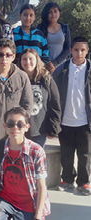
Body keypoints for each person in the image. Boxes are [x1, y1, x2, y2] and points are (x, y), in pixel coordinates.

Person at [0, 107, 50, 220]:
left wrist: (38, 215)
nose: (15, 128)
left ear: (27, 127)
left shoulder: (36, 151)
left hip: (29, 204)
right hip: (6, 199)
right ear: (4, 126)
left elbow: (41, 185)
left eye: (20, 124)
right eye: (11, 124)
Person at [53, 36, 91, 196]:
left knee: (85, 154)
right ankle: (67, 179)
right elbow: (54, 94)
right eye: (76, 50)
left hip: (85, 122)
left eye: (83, 50)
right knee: (67, 153)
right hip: (66, 121)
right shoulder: (62, 69)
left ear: (87, 51)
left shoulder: (89, 70)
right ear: (70, 51)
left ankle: (84, 182)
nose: (79, 53)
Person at [17, 48, 61, 148]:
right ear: (20, 61)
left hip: (40, 130)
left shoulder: (46, 78)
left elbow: (54, 103)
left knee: (36, 161)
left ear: (37, 60)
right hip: (19, 130)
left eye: (31, 59)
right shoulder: (16, 79)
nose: (28, 62)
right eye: (24, 59)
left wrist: (53, 127)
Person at [37, 2, 71, 73]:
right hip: (45, 67)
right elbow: (38, 48)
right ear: (46, 14)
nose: (53, 14)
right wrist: (46, 64)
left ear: (59, 12)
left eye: (55, 11)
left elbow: (68, 48)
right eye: (50, 12)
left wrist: (54, 63)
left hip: (62, 67)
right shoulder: (41, 28)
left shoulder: (65, 28)